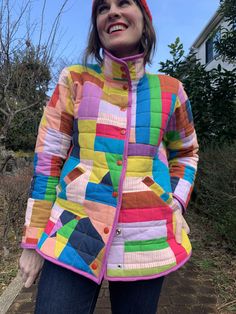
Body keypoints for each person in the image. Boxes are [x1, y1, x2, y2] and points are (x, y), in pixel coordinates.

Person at [19, 0, 199, 313]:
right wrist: (32, 241)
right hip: (71, 232)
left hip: (147, 237)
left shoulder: (171, 91)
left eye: (124, 3)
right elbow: (48, 163)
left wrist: (177, 202)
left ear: (144, 19)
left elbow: (186, 153)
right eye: (103, 8)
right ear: (97, 27)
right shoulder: (74, 81)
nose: (112, 11)